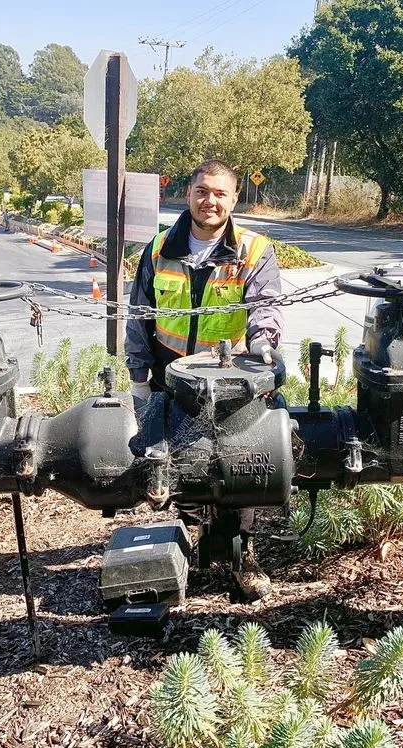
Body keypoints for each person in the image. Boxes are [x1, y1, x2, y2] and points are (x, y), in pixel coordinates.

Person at [125, 159, 284, 600]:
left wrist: (263, 340)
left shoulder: (253, 250)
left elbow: (265, 303)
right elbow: (138, 316)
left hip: (233, 383)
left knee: (241, 465)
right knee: (182, 466)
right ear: (188, 194)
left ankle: (242, 552)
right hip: (173, 379)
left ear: (234, 199)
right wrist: (139, 378)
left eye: (219, 193)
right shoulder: (158, 249)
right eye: (201, 191)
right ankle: (193, 539)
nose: (209, 200)